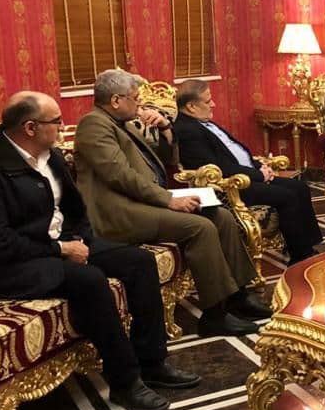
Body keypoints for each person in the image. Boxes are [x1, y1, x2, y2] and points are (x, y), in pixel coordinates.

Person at [0, 92, 200, 410]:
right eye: (56, 121)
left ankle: (153, 364)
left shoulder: (51, 156)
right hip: (10, 265)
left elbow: (74, 207)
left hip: (59, 246)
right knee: (90, 280)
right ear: (30, 127)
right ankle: (125, 383)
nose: (62, 126)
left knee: (139, 262)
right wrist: (60, 249)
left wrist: (82, 239)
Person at [74, 69, 270, 338]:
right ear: (116, 100)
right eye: (134, 98)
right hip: (118, 212)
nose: (140, 104)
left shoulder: (123, 124)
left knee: (221, 216)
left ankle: (237, 296)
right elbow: (120, 176)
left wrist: (166, 128)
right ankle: (214, 316)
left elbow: (165, 158)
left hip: (143, 202)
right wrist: (169, 200)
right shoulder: (94, 125)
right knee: (200, 227)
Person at [172, 79, 322, 265]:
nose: (213, 104)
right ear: (191, 106)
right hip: (232, 186)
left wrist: (259, 167)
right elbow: (219, 168)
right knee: (288, 196)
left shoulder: (202, 122)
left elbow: (233, 153)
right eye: (208, 101)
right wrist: (258, 175)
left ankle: (308, 245)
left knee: (300, 187)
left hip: (249, 174)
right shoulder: (187, 130)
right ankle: (300, 256)